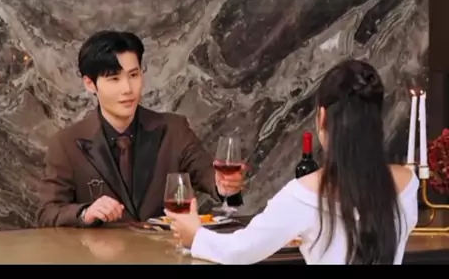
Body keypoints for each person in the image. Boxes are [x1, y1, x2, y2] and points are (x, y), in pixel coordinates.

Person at [165, 59, 420, 265]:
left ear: (322, 117)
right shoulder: (409, 184)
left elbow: (240, 251)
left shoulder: (305, 194)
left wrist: (195, 236)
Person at [36, 30, 245, 227]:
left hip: (165, 249)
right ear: (90, 84)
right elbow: (47, 213)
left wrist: (225, 187)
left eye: (133, 75)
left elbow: (208, 174)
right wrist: (85, 212)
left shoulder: (174, 130)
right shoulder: (66, 144)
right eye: (114, 79)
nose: (127, 89)